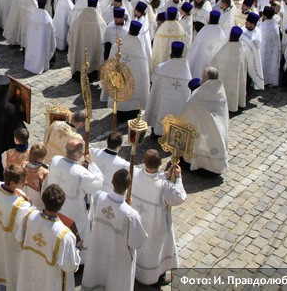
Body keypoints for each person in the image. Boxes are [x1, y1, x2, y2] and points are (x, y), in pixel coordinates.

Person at [82, 169, 148, 291]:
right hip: (118, 258)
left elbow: (90, 219)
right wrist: (127, 208)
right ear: (129, 187)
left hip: (98, 249)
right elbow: (137, 242)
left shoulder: (98, 197)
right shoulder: (131, 214)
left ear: (112, 181)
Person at [130, 150, 186, 286]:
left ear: (143, 161)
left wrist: (166, 174)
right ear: (160, 164)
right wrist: (178, 178)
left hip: (138, 223)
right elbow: (180, 197)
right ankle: (155, 278)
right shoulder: (164, 186)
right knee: (154, 251)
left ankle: (134, 272)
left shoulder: (135, 174)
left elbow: (151, 177)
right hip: (156, 225)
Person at [45, 139, 104, 263]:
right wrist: (91, 163)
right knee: (77, 235)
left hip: (58, 205)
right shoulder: (81, 173)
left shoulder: (55, 160)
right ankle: (78, 260)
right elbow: (98, 183)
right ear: (80, 154)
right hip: (74, 211)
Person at [16, 184, 81, 291]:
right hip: (50, 280)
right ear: (61, 205)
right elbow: (70, 266)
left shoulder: (29, 216)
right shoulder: (64, 235)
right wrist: (77, 249)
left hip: (30, 270)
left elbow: (19, 238)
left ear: (43, 200)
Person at [0, 164, 35, 290]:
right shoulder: (18, 205)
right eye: (23, 181)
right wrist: (29, 201)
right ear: (13, 183)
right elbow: (30, 221)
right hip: (9, 245)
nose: (26, 182)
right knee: (10, 273)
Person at [182, 68, 229, 174]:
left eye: (204, 77)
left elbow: (189, 109)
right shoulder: (220, 91)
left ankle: (200, 163)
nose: (202, 79)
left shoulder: (199, 95)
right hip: (216, 129)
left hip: (205, 126)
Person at [145, 42, 192, 136]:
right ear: (182, 53)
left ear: (171, 53)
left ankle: (158, 132)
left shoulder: (162, 67)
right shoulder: (186, 72)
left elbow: (154, 81)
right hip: (177, 105)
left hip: (163, 101)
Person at [211, 26, 249, 112]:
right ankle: (237, 103)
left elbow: (214, 62)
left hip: (225, 78)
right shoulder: (241, 48)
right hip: (236, 78)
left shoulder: (226, 48)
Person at [67, 0, 106, 80]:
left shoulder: (80, 19)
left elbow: (74, 31)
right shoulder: (100, 21)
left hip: (81, 49)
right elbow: (103, 34)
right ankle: (91, 75)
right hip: (93, 50)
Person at [187, 10, 226, 79]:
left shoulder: (203, 31)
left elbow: (194, 49)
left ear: (209, 19)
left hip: (202, 61)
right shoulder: (221, 34)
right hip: (215, 64)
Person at [24, 0, 56, 74]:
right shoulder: (48, 19)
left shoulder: (33, 15)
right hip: (42, 43)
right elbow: (52, 35)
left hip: (32, 40)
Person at [258, 7, 281, 87]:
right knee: (271, 64)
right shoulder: (274, 24)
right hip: (273, 51)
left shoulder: (264, 26)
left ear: (265, 15)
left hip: (264, 51)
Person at [23, 143, 50, 209]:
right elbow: (45, 190)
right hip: (37, 199)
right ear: (40, 159)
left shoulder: (24, 164)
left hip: (25, 192)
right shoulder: (44, 172)